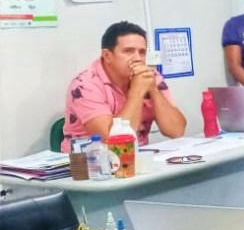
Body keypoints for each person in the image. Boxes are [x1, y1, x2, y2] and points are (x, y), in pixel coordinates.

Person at [62, 21, 186, 152]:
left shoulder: (148, 77)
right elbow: (114, 142)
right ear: (107, 56)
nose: (138, 58)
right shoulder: (85, 84)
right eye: (128, 51)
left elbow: (176, 131)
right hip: (91, 159)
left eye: (142, 52)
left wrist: (153, 90)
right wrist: (137, 92)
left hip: (137, 157)